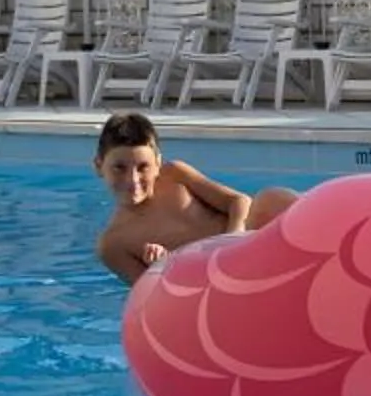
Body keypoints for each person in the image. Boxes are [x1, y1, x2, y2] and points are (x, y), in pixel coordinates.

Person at [93, 111, 299, 284]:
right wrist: (164, 266)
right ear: (99, 166)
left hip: (250, 238)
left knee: (270, 200)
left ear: (157, 163)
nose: (133, 179)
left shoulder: (175, 175)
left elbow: (238, 201)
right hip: (214, 281)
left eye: (143, 167)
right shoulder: (113, 245)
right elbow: (152, 298)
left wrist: (231, 244)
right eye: (119, 168)